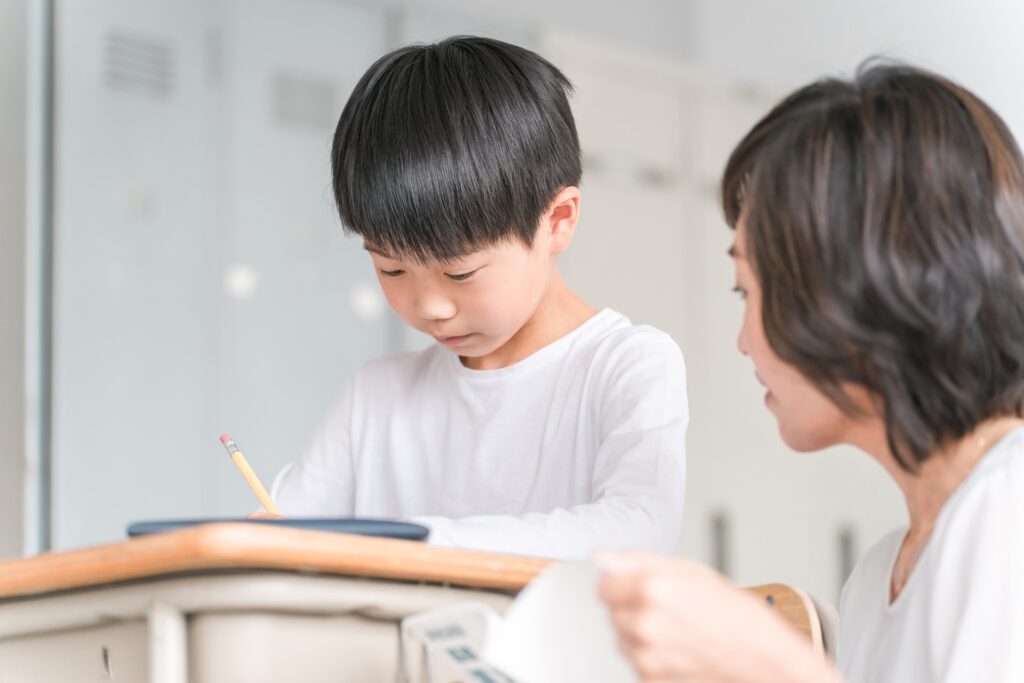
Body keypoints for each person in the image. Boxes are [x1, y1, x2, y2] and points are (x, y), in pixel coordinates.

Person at [598, 63, 1024, 682]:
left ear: (856, 286)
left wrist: (771, 665)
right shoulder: (877, 580)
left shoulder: (1007, 512)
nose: (743, 342)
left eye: (747, 291)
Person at [269, 36, 688, 559]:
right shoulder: (375, 398)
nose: (430, 307)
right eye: (391, 268)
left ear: (557, 221)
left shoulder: (624, 365)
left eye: (460, 272)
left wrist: (413, 544)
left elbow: (639, 529)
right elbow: (281, 541)